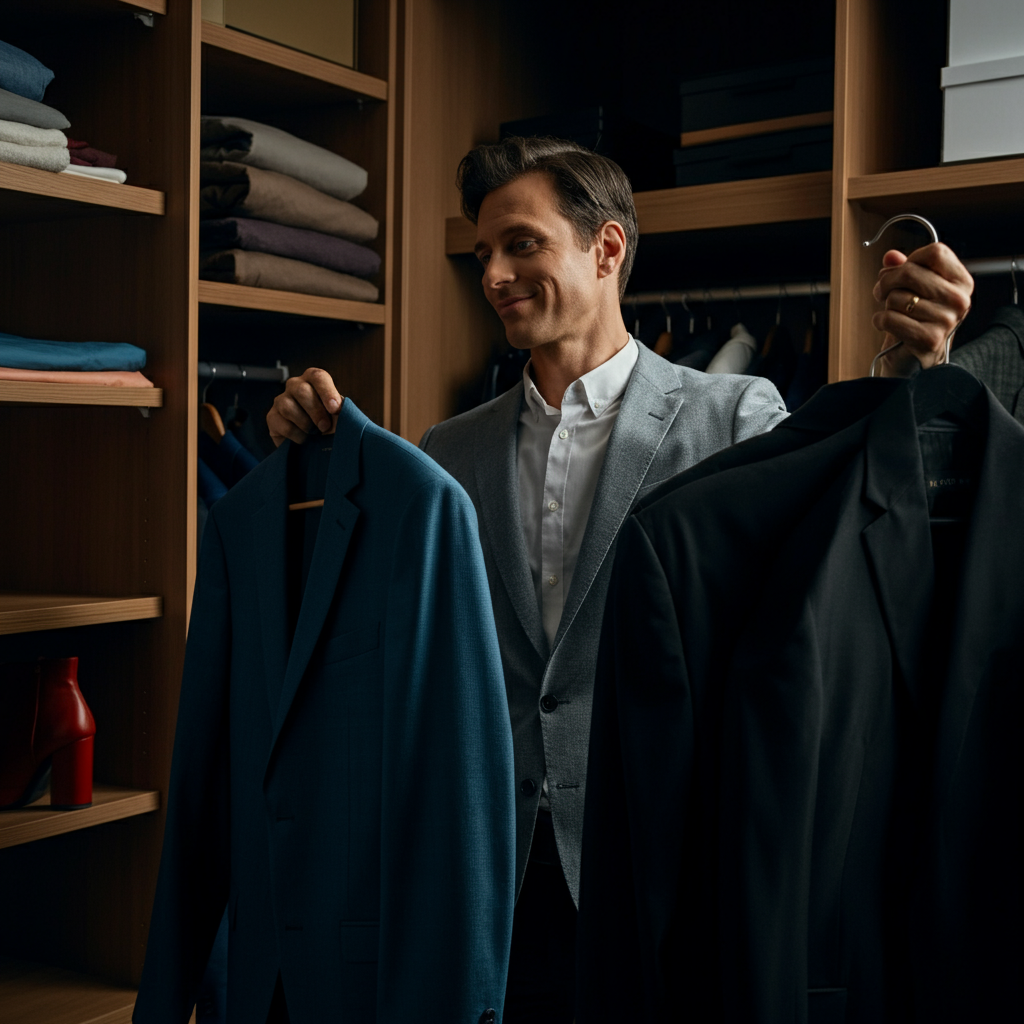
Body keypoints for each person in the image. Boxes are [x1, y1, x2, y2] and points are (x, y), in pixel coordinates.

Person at [265, 137, 974, 1022]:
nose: (493, 274)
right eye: (483, 253)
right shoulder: (449, 449)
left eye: (521, 244)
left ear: (607, 249)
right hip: (494, 872)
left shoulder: (739, 413)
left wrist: (912, 371)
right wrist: (310, 455)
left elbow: (841, 542)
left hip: (661, 857)